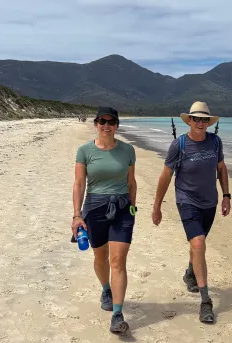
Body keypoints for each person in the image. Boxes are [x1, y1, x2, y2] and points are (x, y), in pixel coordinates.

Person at [152, 101, 231, 324]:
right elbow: (165, 176)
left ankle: (190, 272)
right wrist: (157, 205)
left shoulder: (215, 142)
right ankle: (206, 302)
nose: (200, 122)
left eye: (204, 119)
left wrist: (226, 195)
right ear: (189, 120)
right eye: (196, 118)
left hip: (210, 202)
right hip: (187, 200)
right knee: (198, 244)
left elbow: (222, 169)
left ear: (209, 122)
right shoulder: (179, 145)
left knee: (199, 243)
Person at [71, 106, 137, 334]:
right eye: (102, 121)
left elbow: (131, 182)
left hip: (122, 208)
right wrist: (77, 215)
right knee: (101, 256)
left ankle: (117, 314)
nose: (106, 126)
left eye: (111, 122)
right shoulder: (84, 151)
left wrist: (132, 207)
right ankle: (106, 289)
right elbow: (79, 184)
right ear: (96, 124)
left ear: (117, 125)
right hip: (94, 209)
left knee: (118, 260)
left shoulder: (128, 150)